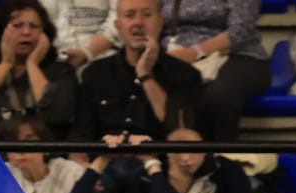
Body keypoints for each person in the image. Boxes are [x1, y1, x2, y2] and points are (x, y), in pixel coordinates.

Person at [69, 0, 199, 145]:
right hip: (105, 161)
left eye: (147, 15)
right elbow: (81, 136)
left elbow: (179, 132)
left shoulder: (184, 74)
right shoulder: (95, 73)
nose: (138, 22)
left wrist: (145, 75)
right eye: (129, 15)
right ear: (118, 26)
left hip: (160, 163)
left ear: (160, 23)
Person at [153, 0, 270, 142]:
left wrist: (196, 52)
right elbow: (149, 18)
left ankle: (219, 157)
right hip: (175, 53)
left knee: (219, 96)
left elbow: (241, 29)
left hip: (236, 54)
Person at [0, 1, 79, 136]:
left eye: (34, 26)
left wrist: (32, 64)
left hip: (46, 154)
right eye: (17, 26)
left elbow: (58, 116)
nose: (26, 32)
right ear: (1, 31)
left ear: (45, 34)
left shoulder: (61, 71)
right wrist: (6, 63)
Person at [4, 116, 87, 193]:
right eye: (13, 141)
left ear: (44, 143)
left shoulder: (70, 173)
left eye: (28, 140)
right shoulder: (3, 174)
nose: (20, 149)